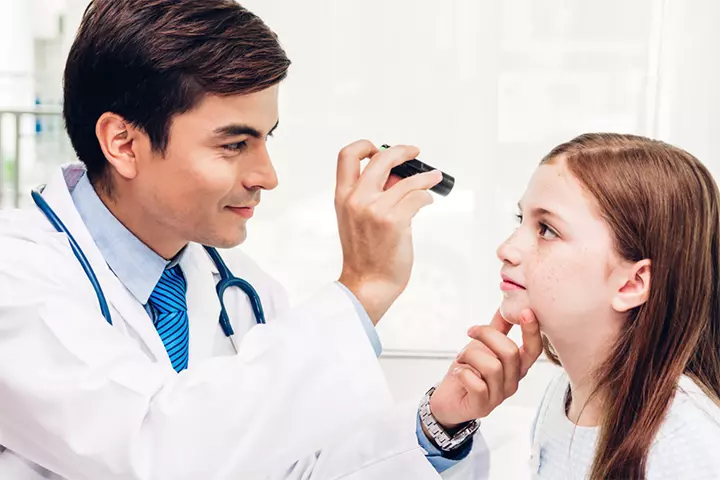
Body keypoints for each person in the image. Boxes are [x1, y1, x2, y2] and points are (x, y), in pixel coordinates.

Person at [0, 1, 542, 479]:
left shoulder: (245, 294)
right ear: (123, 142)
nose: (267, 175)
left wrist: (438, 423)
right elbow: (153, 455)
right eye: (235, 144)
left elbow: (301, 465)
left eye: (267, 139)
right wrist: (364, 289)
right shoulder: (18, 281)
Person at [485, 133, 720, 479]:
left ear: (632, 283)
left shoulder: (684, 442)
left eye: (546, 229)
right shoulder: (562, 396)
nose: (506, 248)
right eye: (520, 220)